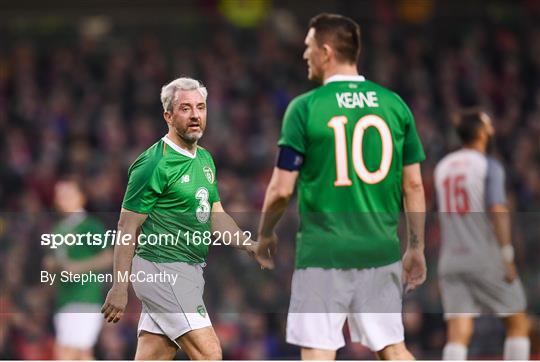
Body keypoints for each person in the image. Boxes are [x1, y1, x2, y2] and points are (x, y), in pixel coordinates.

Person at [254, 13, 427, 360]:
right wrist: (416, 247)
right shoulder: (394, 105)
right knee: (393, 348)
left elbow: (281, 190)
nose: (305, 54)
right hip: (379, 248)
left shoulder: (304, 108)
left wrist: (266, 234)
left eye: (309, 47)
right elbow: (414, 184)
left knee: (318, 350)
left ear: (327, 52)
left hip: (324, 252)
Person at [100, 77, 257, 360]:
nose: (195, 115)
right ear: (168, 116)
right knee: (210, 354)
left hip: (188, 271)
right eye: (186, 108)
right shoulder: (153, 163)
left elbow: (216, 216)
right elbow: (126, 227)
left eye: (200, 107)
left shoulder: (205, 159)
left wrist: (248, 244)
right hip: (162, 269)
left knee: (153, 356)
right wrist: (119, 286)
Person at [434, 109, 530, 360]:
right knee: (517, 321)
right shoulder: (488, 165)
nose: (492, 131)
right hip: (485, 257)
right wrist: (507, 254)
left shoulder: (442, 167)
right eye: (488, 126)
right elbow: (498, 210)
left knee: (458, 332)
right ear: (479, 132)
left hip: (451, 259)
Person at [43, 177, 113, 360]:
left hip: (84, 296)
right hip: (65, 298)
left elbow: (109, 256)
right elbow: (61, 261)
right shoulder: (58, 229)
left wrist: (79, 267)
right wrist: (53, 265)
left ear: (81, 197)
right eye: (59, 194)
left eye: (68, 193)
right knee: (80, 354)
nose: (62, 198)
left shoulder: (90, 225)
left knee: (67, 352)